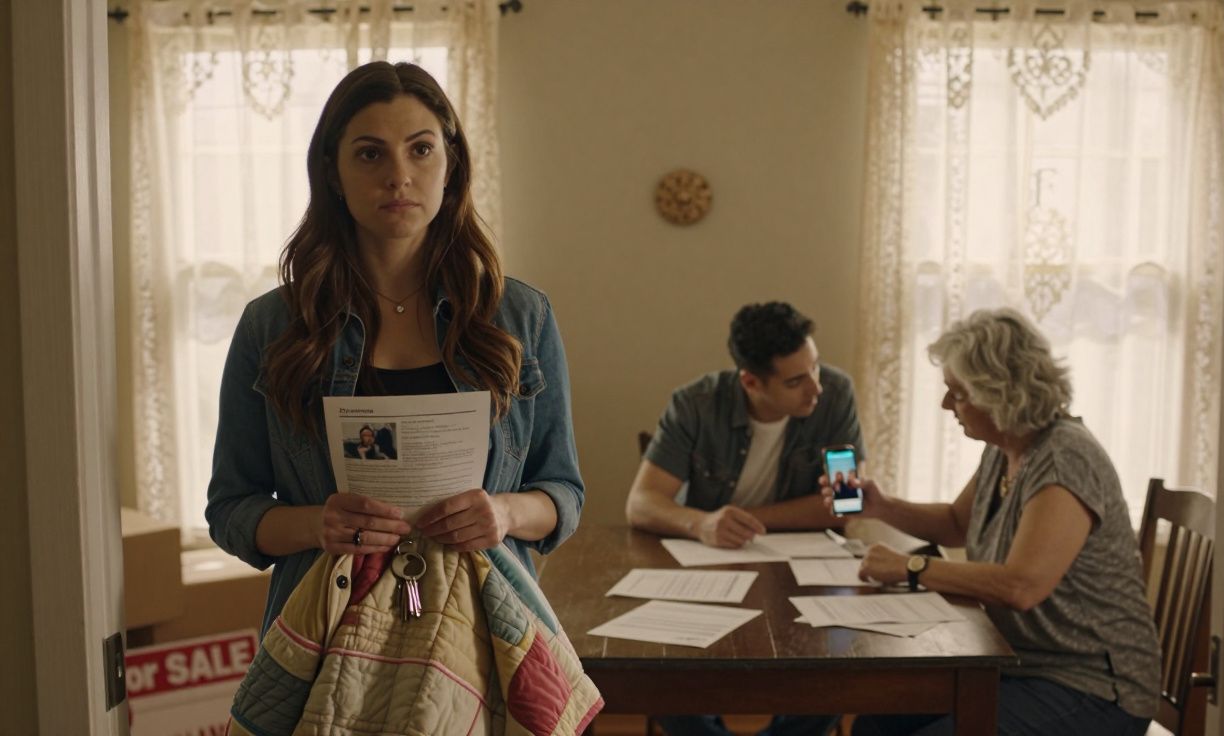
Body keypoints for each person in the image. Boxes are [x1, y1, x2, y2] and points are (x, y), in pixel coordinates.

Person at [206, 61, 584, 639]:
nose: (398, 176)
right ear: (333, 172)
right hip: (328, 635)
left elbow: (563, 493)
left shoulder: (521, 316)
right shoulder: (272, 325)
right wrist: (318, 524)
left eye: (421, 150)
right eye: (370, 154)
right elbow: (231, 511)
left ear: (450, 166)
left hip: (485, 631)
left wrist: (504, 513)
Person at [823, 308, 1159, 736]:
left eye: (958, 393)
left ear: (1000, 393)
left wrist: (911, 568)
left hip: (1093, 686)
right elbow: (955, 523)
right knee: (875, 724)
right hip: (1018, 664)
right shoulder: (1004, 447)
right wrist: (881, 505)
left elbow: (1022, 586)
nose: (947, 405)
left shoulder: (1065, 456)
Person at [626, 300, 863, 736]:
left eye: (815, 367)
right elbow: (640, 503)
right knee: (661, 672)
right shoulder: (695, 404)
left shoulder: (837, 394)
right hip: (708, 570)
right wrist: (701, 524)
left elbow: (845, 505)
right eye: (796, 381)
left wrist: (745, 518)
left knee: (836, 668)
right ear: (751, 381)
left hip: (804, 573)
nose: (816, 389)